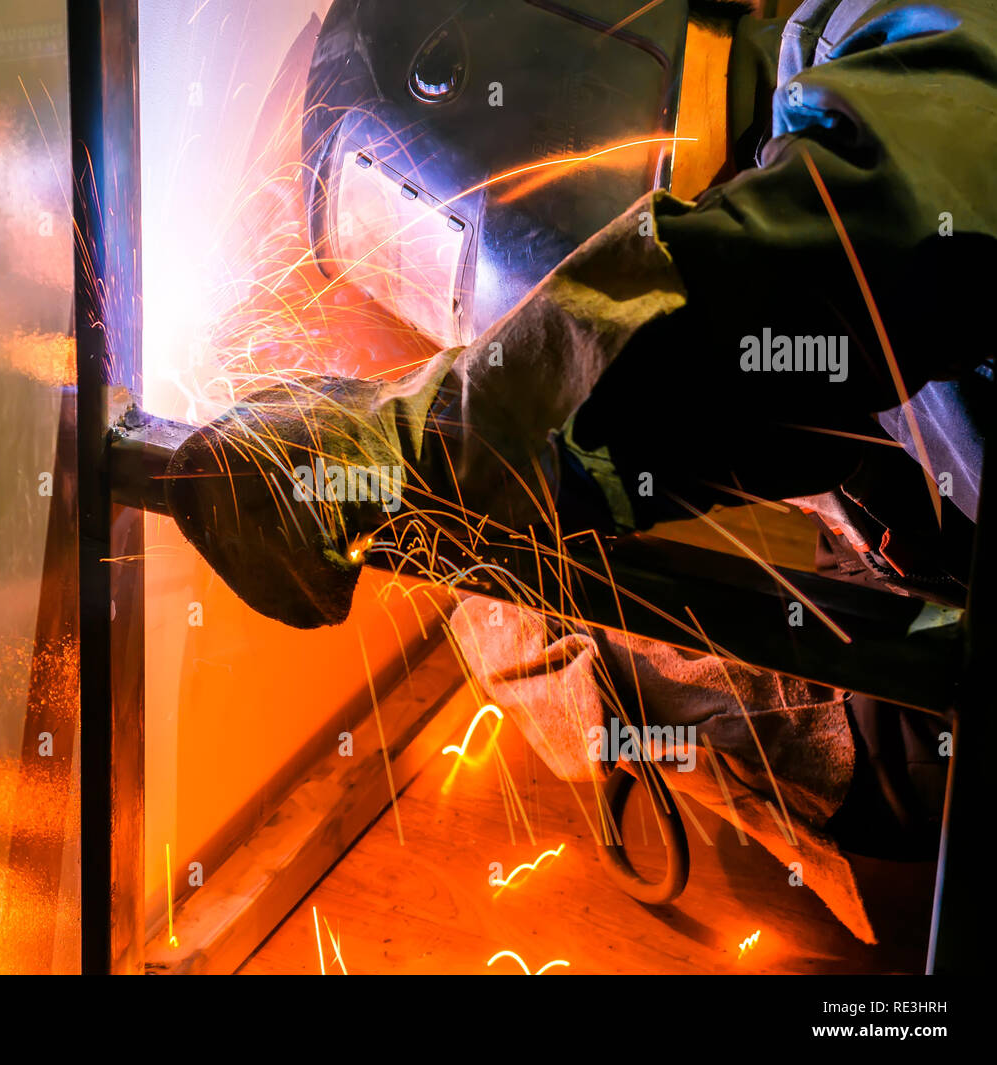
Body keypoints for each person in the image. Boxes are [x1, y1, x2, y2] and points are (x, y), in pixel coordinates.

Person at [160, 0, 994, 937]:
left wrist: (420, 449)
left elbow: (801, 278)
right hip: (946, 568)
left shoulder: (921, 44)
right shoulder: (795, 122)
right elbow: (771, 377)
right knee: (510, 607)